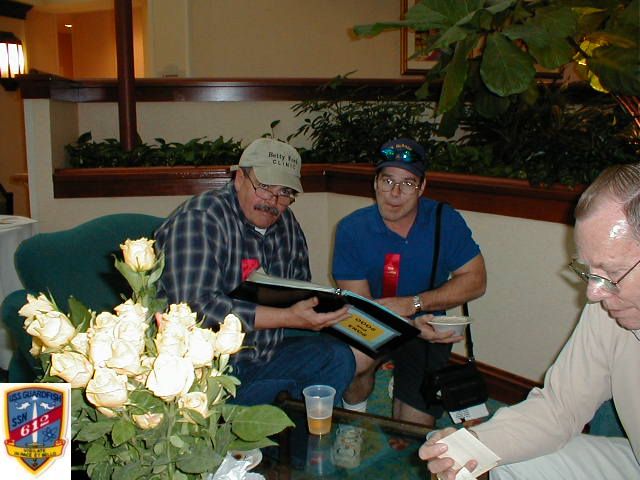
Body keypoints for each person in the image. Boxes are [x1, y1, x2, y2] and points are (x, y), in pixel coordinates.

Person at [419, 163, 640, 479]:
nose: (593, 293)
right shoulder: (607, 310)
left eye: (613, 273)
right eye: (589, 271)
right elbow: (559, 407)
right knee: (499, 458)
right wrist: (474, 444)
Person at [154, 138, 355, 406]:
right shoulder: (200, 219)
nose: (273, 201)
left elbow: (299, 291)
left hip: (265, 356)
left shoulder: (287, 224)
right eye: (264, 187)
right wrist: (288, 317)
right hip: (207, 370)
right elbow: (195, 309)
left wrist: (337, 312)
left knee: (337, 356)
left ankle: (300, 434)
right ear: (240, 179)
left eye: (285, 192)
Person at [332, 138, 487, 426]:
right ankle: (354, 421)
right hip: (374, 321)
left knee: (410, 431)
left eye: (407, 183)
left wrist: (414, 304)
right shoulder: (352, 229)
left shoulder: (444, 220)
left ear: (422, 187)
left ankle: (405, 385)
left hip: (428, 324)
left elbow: (476, 280)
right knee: (353, 362)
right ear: (375, 183)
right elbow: (361, 307)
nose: (395, 193)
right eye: (387, 181)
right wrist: (409, 326)